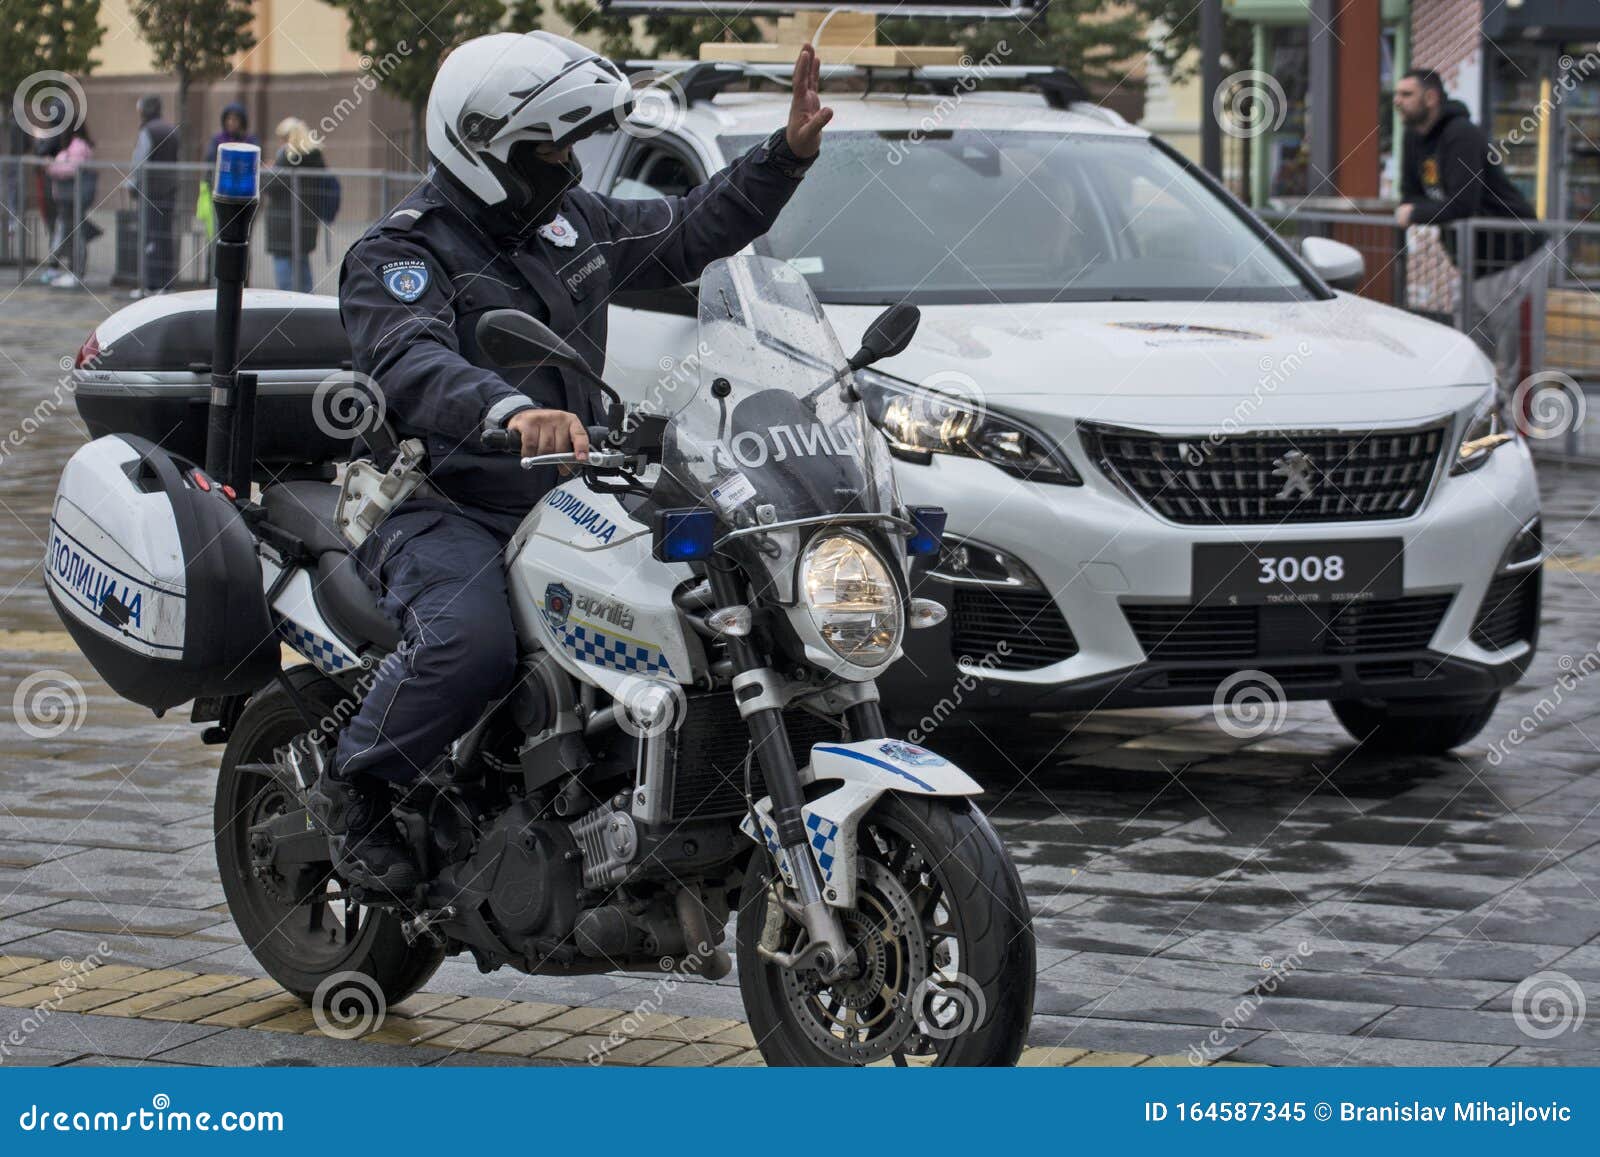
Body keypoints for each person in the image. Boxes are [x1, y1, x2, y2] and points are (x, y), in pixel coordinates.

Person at [317, 31, 831, 891]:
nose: (567, 162)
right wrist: (509, 411)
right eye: (548, 146)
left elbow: (685, 231)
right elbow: (409, 360)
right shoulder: (401, 254)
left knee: (712, 594)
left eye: (569, 143)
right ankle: (357, 787)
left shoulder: (569, 222)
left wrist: (783, 158)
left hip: (571, 490)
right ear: (483, 148)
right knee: (468, 642)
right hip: (448, 500)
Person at [1395, 69, 1547, 385]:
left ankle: (1513, 429)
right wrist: (1419, 208)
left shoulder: (1461, 134)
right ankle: (1481, 425)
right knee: (1471, 352)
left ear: (1431, 97)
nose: (1397, 101)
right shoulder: (1413, 138)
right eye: (1397, 95)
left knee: (1510, 357)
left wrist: (1417, 212)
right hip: (1470, 261)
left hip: (1510, 255)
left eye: (1406, 94)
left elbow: (1462, 204)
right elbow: (1409, 193)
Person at [264, 117, 326, 292]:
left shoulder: (286, 157)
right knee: (302, 262)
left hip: (282, 221)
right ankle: (307, 303)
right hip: (307, 220)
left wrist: (269, 170)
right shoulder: (315, 157)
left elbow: (271, 186)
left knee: (283, 263)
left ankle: (287, 305)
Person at [128, 95, 180, 298]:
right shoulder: (171, 130)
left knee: (151, 237)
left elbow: (139, 161)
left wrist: (132, 185)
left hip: (151, 192)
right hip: (169, 191)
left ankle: (151, 284)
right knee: (164, 237)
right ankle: (166, 284)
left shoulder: (148, 131)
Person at [45, 122, 99, 289]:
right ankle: (72, 271)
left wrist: (52, 166)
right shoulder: (72, 145)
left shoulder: (78, 146)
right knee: (70, 233)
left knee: (74, 234)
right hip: (67, 199)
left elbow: (72, 168)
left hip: (73, 198)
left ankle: (77, 273)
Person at [197, 103, 257, 244]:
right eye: (228, 119)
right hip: (221, 195)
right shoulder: (217, 139)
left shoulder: (249, 140)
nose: (231, 123)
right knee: (217, 237)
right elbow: (211, 159)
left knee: (243, 238)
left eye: (235, 120)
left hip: (244, 197)